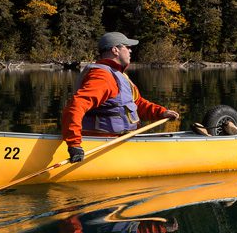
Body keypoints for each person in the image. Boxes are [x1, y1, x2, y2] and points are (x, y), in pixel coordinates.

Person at [61, 32, 180, 163]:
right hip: (103, 144)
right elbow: (76, 106)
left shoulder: (119, 75)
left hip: (124, 139)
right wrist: (74, 145)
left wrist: (161, 113)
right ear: (115, 50)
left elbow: (137, 104)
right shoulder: (103, 77)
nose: (130, 51)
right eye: (127, 47)